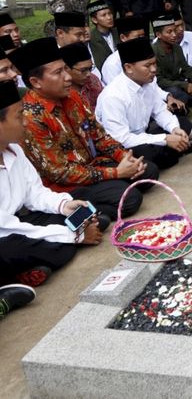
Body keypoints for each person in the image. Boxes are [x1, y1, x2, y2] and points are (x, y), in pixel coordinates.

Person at [10, 38, 155, 223]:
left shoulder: (73, 96)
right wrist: (117, 173)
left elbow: (100, 136)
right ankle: (87, 211)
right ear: (36, 82)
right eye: (58, 72)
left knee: (148, 170)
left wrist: (124, 158)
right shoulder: (31, 118)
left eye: (65, 69)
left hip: (93, 165)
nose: (68, 77)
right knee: (129, 198)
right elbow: (60, 173)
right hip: (66, 185)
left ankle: (100, 206)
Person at [0, 81, 104, 288]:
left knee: (93, 214)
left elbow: (35, 193)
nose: (25, 123)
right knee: (24, 249)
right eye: (19, 116)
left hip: (18, 223)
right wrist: (72, 236)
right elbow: (5, 228)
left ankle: (31, 267)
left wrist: (63, 206)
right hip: (5, 236)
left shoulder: (14, 149)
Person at [96, 37, 192, 170]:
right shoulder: (113, 95)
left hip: (144, 135)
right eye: (148, 66)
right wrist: (165, 139)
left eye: (155, 64)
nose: (154, 70)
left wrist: (174, 129)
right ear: (129, 68)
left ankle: (176, 146)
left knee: (183, 124)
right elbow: (121, 139)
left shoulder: (149, 82)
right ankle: (176, 149)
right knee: (148, 155)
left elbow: (160, 111)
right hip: (123, 145)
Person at [152, 14, 192, 106]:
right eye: (169, 32)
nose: (174, 34)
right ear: (158, 34)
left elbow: (186, 69)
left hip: (179, 84)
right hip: (165, 88)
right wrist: (184, 85)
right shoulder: (153, 52)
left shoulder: (177, 48)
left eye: (174, 30)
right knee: (177, 93)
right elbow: (159, 80)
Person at [59, 43, 104, 110]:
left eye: (90, 69)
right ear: (66, 68)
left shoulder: (93, 80)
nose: (88, 74)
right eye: (83, 70)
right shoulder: (60, 91)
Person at [87, 0, 118, 71]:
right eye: (104, 15)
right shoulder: (91, 39)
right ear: (94, 20)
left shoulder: (118, 33)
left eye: (110, 13)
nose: (109, 18)